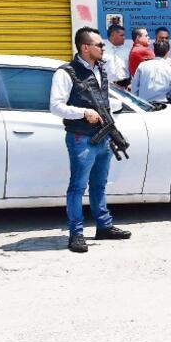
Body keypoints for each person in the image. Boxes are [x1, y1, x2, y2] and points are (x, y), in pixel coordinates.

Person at [49, 27, 131, 253]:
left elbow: (101, 99)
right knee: (77, 187)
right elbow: (56, 107)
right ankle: (76, 234)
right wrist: (83, 113)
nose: (104, 48)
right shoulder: (66, 73)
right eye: (99, 45)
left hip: (103, 136)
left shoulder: (101, 69)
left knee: (99, 184)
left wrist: (112, 109)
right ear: (85, 48)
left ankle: (104, 226)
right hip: (81, 137)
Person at [103, 24, 130, 89]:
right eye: (121, 35)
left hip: (124, 86)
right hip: (107, 86)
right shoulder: (101, 50)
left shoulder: (128, 51)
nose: (124, 38)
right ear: (112, 35)